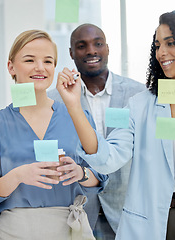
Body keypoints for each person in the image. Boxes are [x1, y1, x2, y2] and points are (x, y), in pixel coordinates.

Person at [56, 8, 175, 240]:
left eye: (170, 43)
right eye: (157, 45)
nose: (161, 53)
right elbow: (106, 158)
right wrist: (74, 106)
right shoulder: (140, 105)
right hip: (143, 231)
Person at [0, 29, 108, 240]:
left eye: (48, 61)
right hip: (16, 232)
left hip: (72, 229)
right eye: (29, 60)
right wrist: (18, 175)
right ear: (11, 67)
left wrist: (80, 173)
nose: (40, 68)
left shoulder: (77, 116)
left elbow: (100, 176)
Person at [48, 23, 145, 239]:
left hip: (127, 212)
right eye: (82, 46)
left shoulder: (138, 94)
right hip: (77, 214)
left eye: (98, 44)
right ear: (71, 53)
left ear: (108, 48)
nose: (91, 50)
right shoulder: (54, 99)